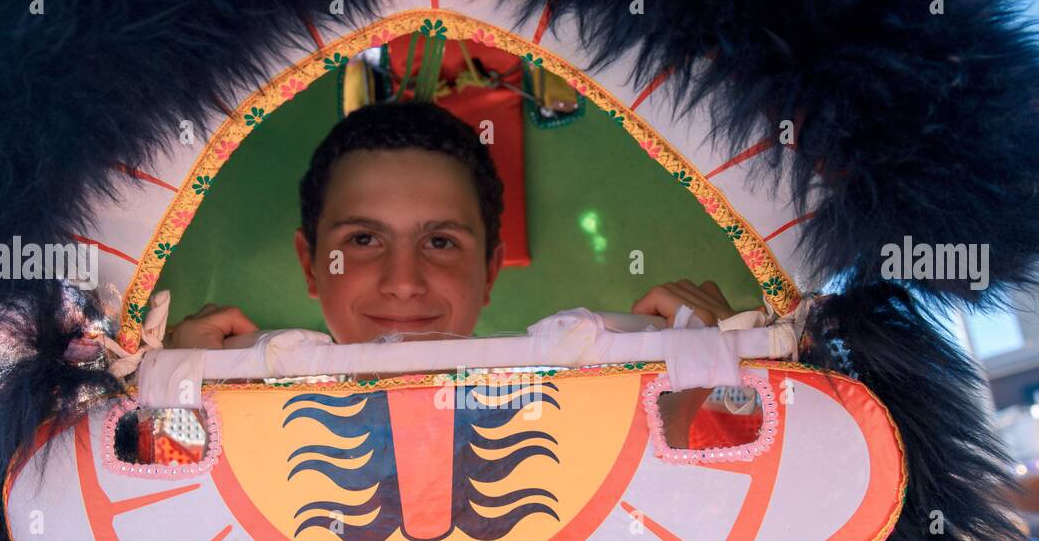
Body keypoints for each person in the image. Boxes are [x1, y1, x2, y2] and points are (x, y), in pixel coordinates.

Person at [164, 100, 739, 352]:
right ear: (310, 263)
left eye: (439, 241)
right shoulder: (217, 391)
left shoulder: (608, 393)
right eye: (363, 239)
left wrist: (714, 371)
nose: (403, 281)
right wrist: (179, 396)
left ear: (490, 269)